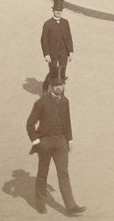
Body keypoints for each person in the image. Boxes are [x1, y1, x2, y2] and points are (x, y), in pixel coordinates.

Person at [26, 78, 85, 216]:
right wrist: (36, 141)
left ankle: (71, 207)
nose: (59, 88)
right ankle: (40, 204)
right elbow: (30, 124)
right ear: (51, 85)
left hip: (61, 144)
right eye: (57, 85)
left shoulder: (65, 101)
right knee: (42, 173)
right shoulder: (41, 102)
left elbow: (67, 121)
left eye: (62, 85)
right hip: (45, 143)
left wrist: (69, 139)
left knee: (63, 174)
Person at [41, 0, 74, 93]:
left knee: (62, 73)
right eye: (56, 10)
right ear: (53, 11)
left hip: (63, 52)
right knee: (53, 72)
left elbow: (68, 37)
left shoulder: (65, 22)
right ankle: (45, 85)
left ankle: (60, 92)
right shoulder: (48, 24)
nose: (58, 12)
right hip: (52, 53)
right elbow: (43, 40)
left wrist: (70, 51)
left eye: (60, 11)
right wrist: (46, 54)